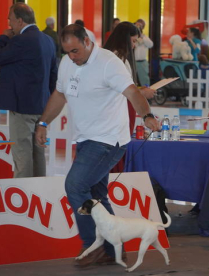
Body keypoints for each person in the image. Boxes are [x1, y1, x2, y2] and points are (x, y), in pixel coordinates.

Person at [35, 24, 160, 268]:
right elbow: (60, 94)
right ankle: (114, 250)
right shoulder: (67, 63)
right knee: (97, 195)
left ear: (87, 41)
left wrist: (147, 116)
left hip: (108, 140)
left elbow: (133, 93)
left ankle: (91, 244)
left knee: (75, 185)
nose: (72, 57)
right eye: (67, 52)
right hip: (84, 139)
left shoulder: (108, 62)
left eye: (75, 51)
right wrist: (42, 122)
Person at [0, 3, 57, 178]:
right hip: (41, 105)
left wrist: (4, 38)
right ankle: (39, 191)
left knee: (22, 155)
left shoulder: (20, 40)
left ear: (20, 21)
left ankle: (24, 197)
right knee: (38, 153)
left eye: (10, 20)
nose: (9, 24)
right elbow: (53, 76)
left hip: (21, 106)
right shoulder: (48, 40)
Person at [104, 21, 156, 172]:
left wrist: (139, 90)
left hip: (121, 109)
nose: (134, 46)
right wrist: (142, 93)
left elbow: (125, 85)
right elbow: (122, 89)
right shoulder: (117, 59)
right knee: (115, 154)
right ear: (125, 39)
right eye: (133, 41)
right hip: (118, 110)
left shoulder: (115, 57)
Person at [134, 19, 153, 86]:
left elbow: (150, 45)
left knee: (144, 80)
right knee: (131, 79)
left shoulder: (144, 37)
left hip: (142, 62)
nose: (138, 27)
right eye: (137, 25)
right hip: (133, 62)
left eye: (140, 25)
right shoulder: (132, 37)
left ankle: (146, 94)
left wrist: (142, 36)